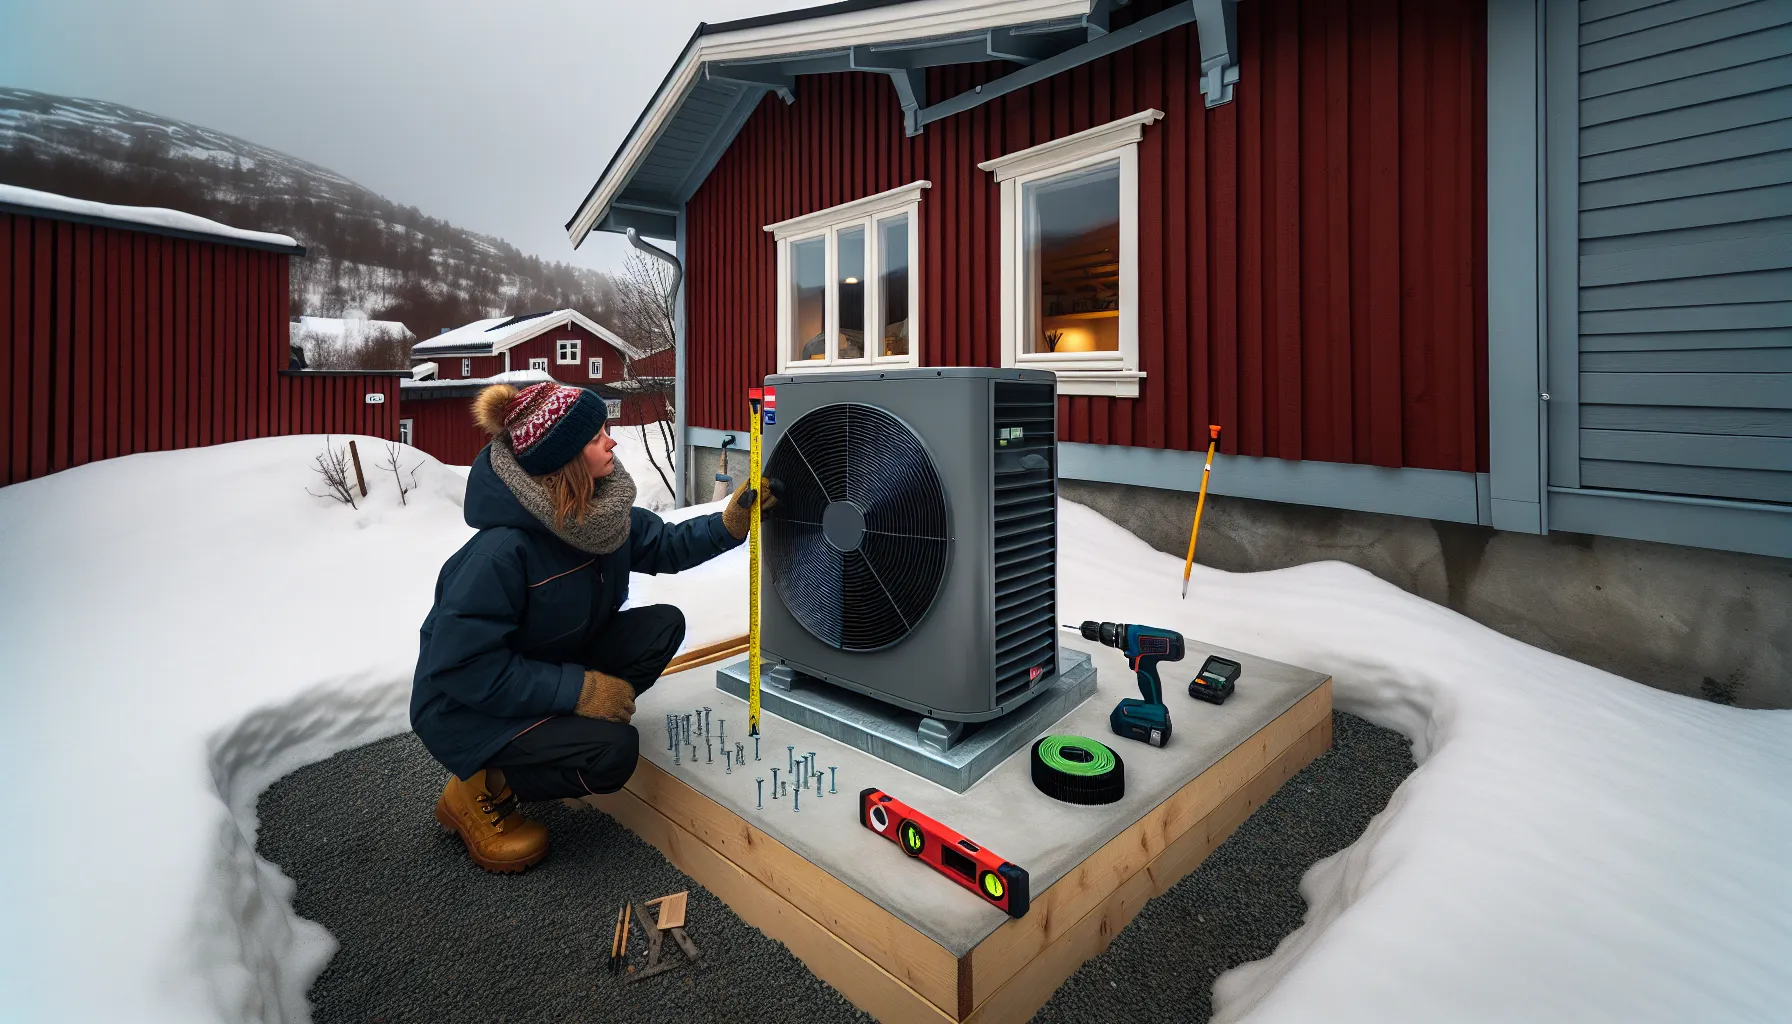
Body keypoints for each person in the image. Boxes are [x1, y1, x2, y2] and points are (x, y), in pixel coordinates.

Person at [412, 380, 778, 873]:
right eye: (595, 437)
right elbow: (464, 669)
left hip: (542, 663)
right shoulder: (499, 555)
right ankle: (482, 784)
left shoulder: (598, 514)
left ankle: (558, 737)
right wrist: (579, 692)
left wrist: (729, 524)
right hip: (467, 709)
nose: (612, 441)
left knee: (662, 626)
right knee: (613, 755)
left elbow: (664, 545)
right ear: (564, 461)